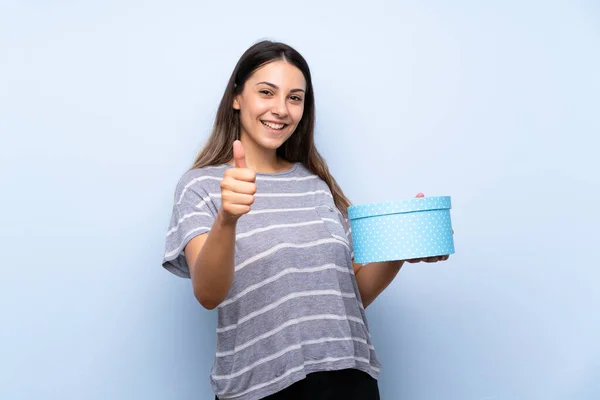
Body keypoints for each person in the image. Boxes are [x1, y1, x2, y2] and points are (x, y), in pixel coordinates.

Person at [162, 40, 450, 400]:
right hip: (262, 390)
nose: (281, 109)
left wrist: (402, 245)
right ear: (237, 97)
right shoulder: (201, 186)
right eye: (266, 92)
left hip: (350, 381)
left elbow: (349, 294)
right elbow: (207, 293)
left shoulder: (316, 185)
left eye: (295, 98)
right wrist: (228, 219)